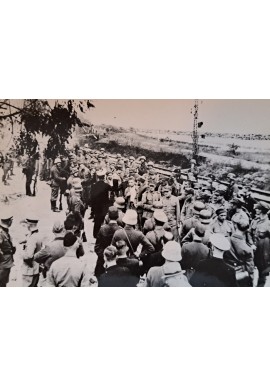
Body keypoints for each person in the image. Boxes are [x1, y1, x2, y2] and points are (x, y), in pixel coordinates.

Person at [94, 206, 121, 277]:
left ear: (108, 216)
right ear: (117, 216)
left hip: (102, 262)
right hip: (116, 263)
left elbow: (97, 247)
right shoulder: (120, 230)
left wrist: (104, 256)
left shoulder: (102, 229)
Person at [248, 201, 270, 286]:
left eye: (258, 208)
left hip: (262, 252)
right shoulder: (255, 220)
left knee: (262, 272)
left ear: (262, 210)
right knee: (250, 269)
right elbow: (249, 233)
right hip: (252, 249)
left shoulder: (268, 224)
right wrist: (251, 243)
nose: (256, 209)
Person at [21, 216, 43, 287]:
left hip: (29, 270)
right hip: (35, 268)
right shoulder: (37, 234)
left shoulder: (32, 238)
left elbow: (29, 256)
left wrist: (20, 253)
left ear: (29, 224)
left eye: (27, 223)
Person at [91, 169, 112, 238]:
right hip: (104, 206)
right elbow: (112, 189)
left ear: (98, 177)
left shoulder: (94, 185)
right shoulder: (106, 185)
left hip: (96, 206)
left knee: (97, 219)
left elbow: (92, 197)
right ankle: (102, 234)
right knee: (103, 220)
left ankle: (95, 234)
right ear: (104, 177)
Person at [0, 210, 16, 287]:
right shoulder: (1, 233)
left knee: (4, 282)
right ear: (9, 221)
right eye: (11, 220)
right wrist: (2, 259)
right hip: (3, 264)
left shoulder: (4, 231)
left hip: (6, 263)